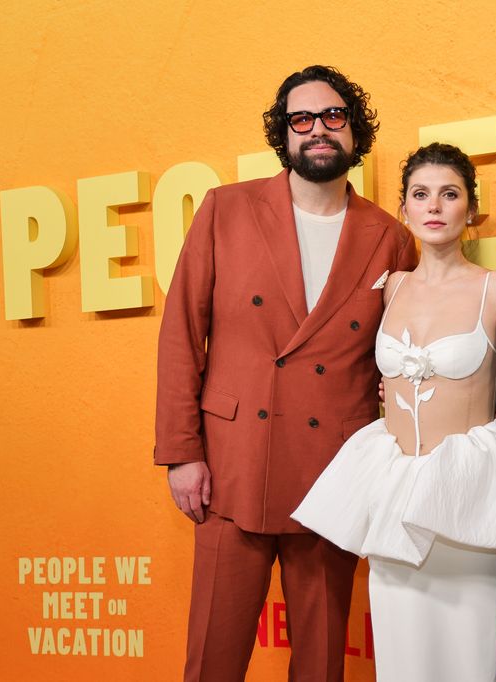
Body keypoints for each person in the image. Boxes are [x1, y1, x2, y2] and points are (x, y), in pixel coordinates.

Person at [154, 65, 417, 681]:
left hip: (334, 468)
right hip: (230, 463)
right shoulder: (226, 209)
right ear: (284, 134)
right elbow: (180, 336)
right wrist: (181, 453)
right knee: (213, 658)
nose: (318, 130)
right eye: (302, 119)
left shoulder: (391, 238)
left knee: (323, 661)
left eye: (334, 117)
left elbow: (400, 353)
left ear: (355, 131)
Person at [293, 143, 496, 682]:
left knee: (467, 660)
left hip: (466, 502)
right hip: (394, 493)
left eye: (450, 194)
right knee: (399, 663)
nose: (435, 206)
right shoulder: (390, 287)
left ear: (471, 209)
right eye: (421, 195)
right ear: (403, 209)